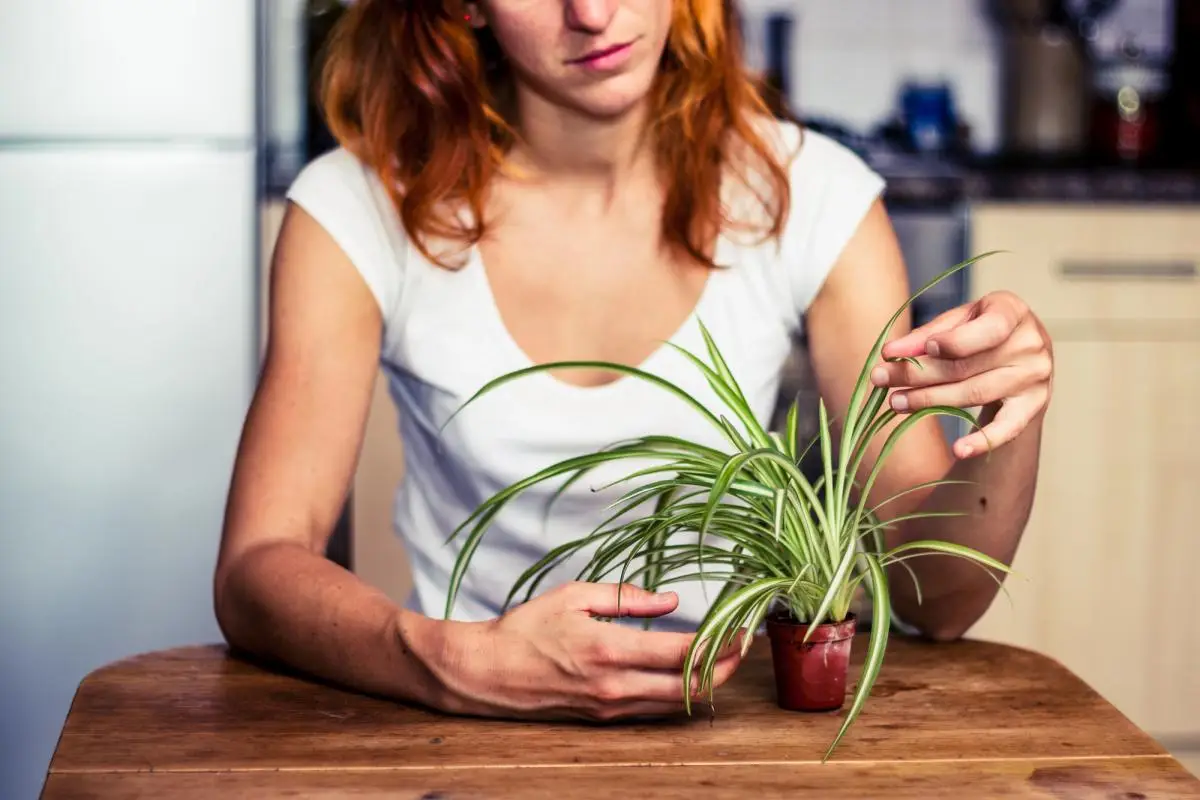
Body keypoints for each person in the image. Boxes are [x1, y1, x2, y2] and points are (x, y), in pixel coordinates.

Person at [213, 0, 1054, 723]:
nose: (591, 12)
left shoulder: (813, 194)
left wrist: (1009, 422)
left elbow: (934, 603)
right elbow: (257, 567)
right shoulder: (356, 207)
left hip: (726, 726)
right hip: (464, 732)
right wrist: (452, 662)